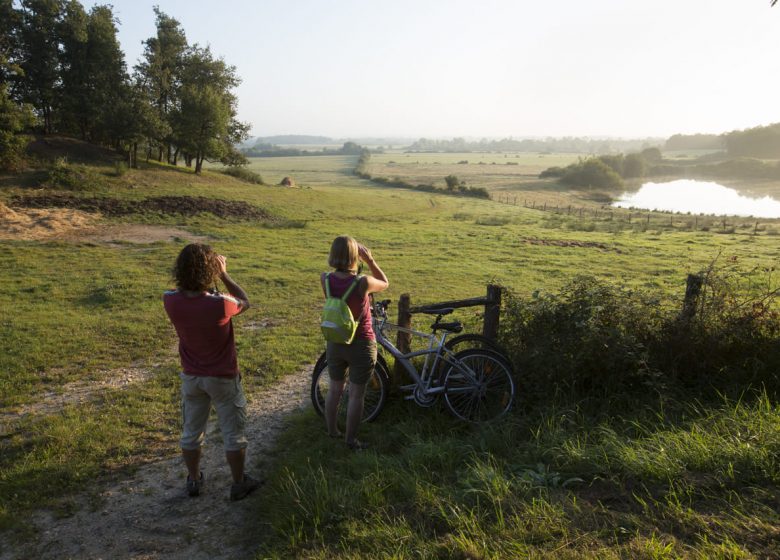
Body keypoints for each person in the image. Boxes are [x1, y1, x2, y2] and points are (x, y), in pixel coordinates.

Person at [163, 243, 260, 500]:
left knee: (192, 432)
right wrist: (225, 275)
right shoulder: (221, 304)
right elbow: (245, 301)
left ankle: (194, 480)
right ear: (211, 271)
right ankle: (239, 483)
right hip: (223, 378)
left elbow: (182, 293)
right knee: (233, 434)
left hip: (192, 377)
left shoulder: (170, 300)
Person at [320, 235, 389, 450]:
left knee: (334, 389)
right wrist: (369, 260)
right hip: (361, 343)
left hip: (336, 340)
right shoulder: (363, 282)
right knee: (356, 394)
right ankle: (351, 440)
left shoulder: (326, 279)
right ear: (354, 256)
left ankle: (331, 431)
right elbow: (385, 283)